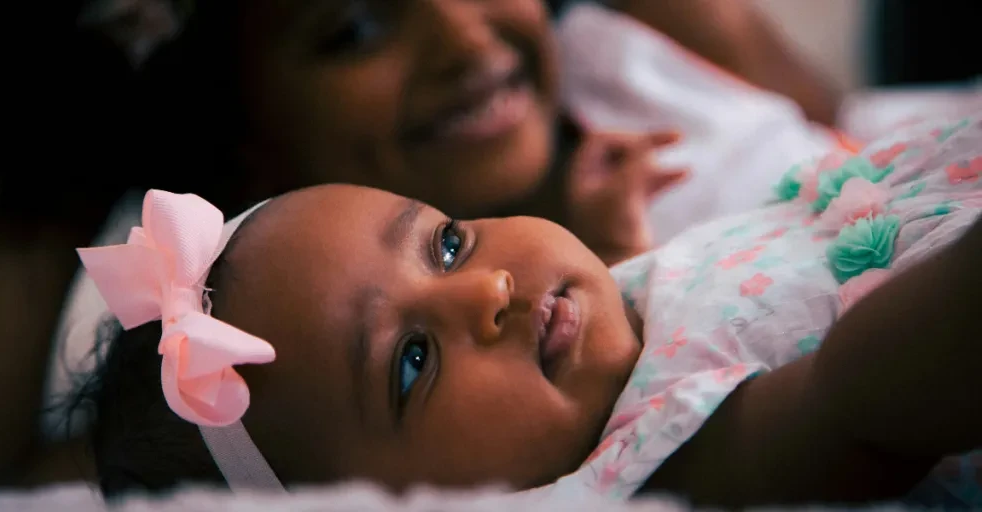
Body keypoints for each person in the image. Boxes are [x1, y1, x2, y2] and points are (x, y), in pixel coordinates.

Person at [79, 115, 981, 507]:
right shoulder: (646, 480)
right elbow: (854, 405)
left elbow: (664, 310)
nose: (489, 290)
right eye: (412, 364)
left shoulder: (591, 356)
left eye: (445, 244)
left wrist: (616, 234)